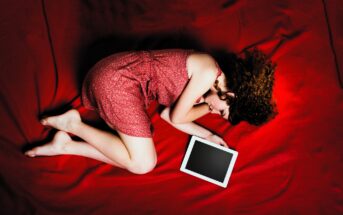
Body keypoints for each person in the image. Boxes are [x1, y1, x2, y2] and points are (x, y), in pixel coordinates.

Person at [24, 48, 277, 174]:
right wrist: (206, 110)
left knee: (136, 158)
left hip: (119, 83)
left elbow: (168, 116)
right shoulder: (208, 72)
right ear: (230, 95)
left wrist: (209, 138)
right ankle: (73, 126)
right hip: (116, 81)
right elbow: (178, 117)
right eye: (222, 111)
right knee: (144, 164)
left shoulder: (209, 82)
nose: (213, 112)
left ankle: (66, 145)